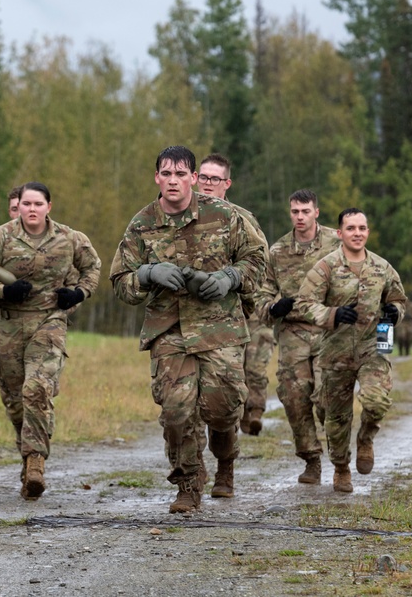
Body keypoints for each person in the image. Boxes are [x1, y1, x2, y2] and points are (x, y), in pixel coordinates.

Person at [109, 145, 267, 513]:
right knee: (177, 412)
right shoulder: (142, 224)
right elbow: (120, 281)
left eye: (181, 174)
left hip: (220, 328)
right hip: (170, 330)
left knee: (224, 409)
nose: (173, 181)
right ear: (157, 178)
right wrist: (146, 274)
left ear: (194, 178)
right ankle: (189, 484)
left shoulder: (226, 216)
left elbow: (258, 261)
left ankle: (225, 458)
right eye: (166, 174)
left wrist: (230, 277)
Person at [0, 181, 101, 500]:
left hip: (49, 320)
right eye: (26, 204)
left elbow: (92, 267)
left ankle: (35, 464)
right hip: (8, 326)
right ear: (19, 206)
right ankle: (27, 451)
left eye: (38, 204)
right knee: (17, 402)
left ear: (48, 207)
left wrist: (78, 294)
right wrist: (3, 291)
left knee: (37, 389)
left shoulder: (70, 239)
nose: (31, 209)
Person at [296, 208, 406, 494]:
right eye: (351, 228)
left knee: (377, 401)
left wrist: (396, 312)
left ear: (367, 232)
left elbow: (398, 298)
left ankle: (366, 439)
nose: (357, 233)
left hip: (374, 349)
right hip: (335, 353)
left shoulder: (382, 267)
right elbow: (305, 303)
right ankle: (342, 468)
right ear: (340, 233)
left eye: (362, 228)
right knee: (336, 418)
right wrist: (332, 314)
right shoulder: (326, 267)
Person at [255, 189, 340, 485]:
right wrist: (272, 307)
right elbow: (261, 295)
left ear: (317, 211)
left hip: (331, 328)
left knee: (327, 398)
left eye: (305, 211)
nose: (300, 217)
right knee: (294, 397)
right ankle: (312, 459)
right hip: (293, 332)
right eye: (295, 211)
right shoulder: (277, 252)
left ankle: (340, 457)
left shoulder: (337, 243)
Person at [196, 154, 273, 436]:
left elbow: (258, 264)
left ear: (226, 183)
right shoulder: (176, 215)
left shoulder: (242, 219)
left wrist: (233, 279)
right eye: (203, 177)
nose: (206, 184)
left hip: (232, 314)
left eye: (214, 179)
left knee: (230, 385)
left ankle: (243, 416)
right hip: (191, 318)